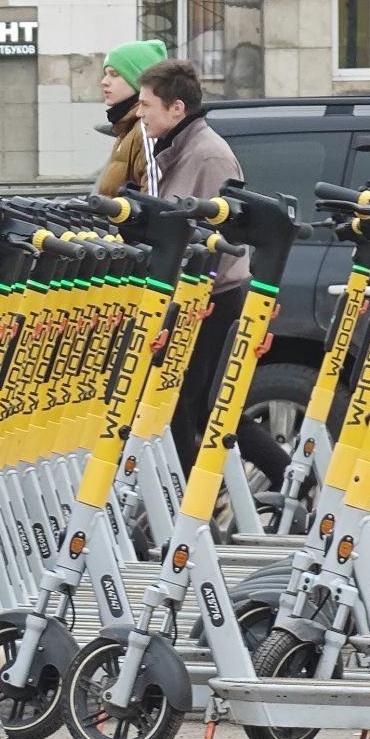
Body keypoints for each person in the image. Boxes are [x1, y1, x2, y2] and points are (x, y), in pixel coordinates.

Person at [134, 58, 291, 482]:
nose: (140, 112)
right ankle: (193, 495)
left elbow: (224, 234)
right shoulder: (180, 148)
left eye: (147, 104)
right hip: (193, 296)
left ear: (176, 108)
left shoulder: (208, 155)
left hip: (213, 299)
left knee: (201, 405)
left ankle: (286, 476)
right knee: (193, 404)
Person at [95, 38, 165, 197]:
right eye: (105, 74)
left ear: (140, 80)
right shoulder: (125, 129)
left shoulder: (146, 129)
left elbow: (155, 201)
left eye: (114, 74)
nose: (104, 82)